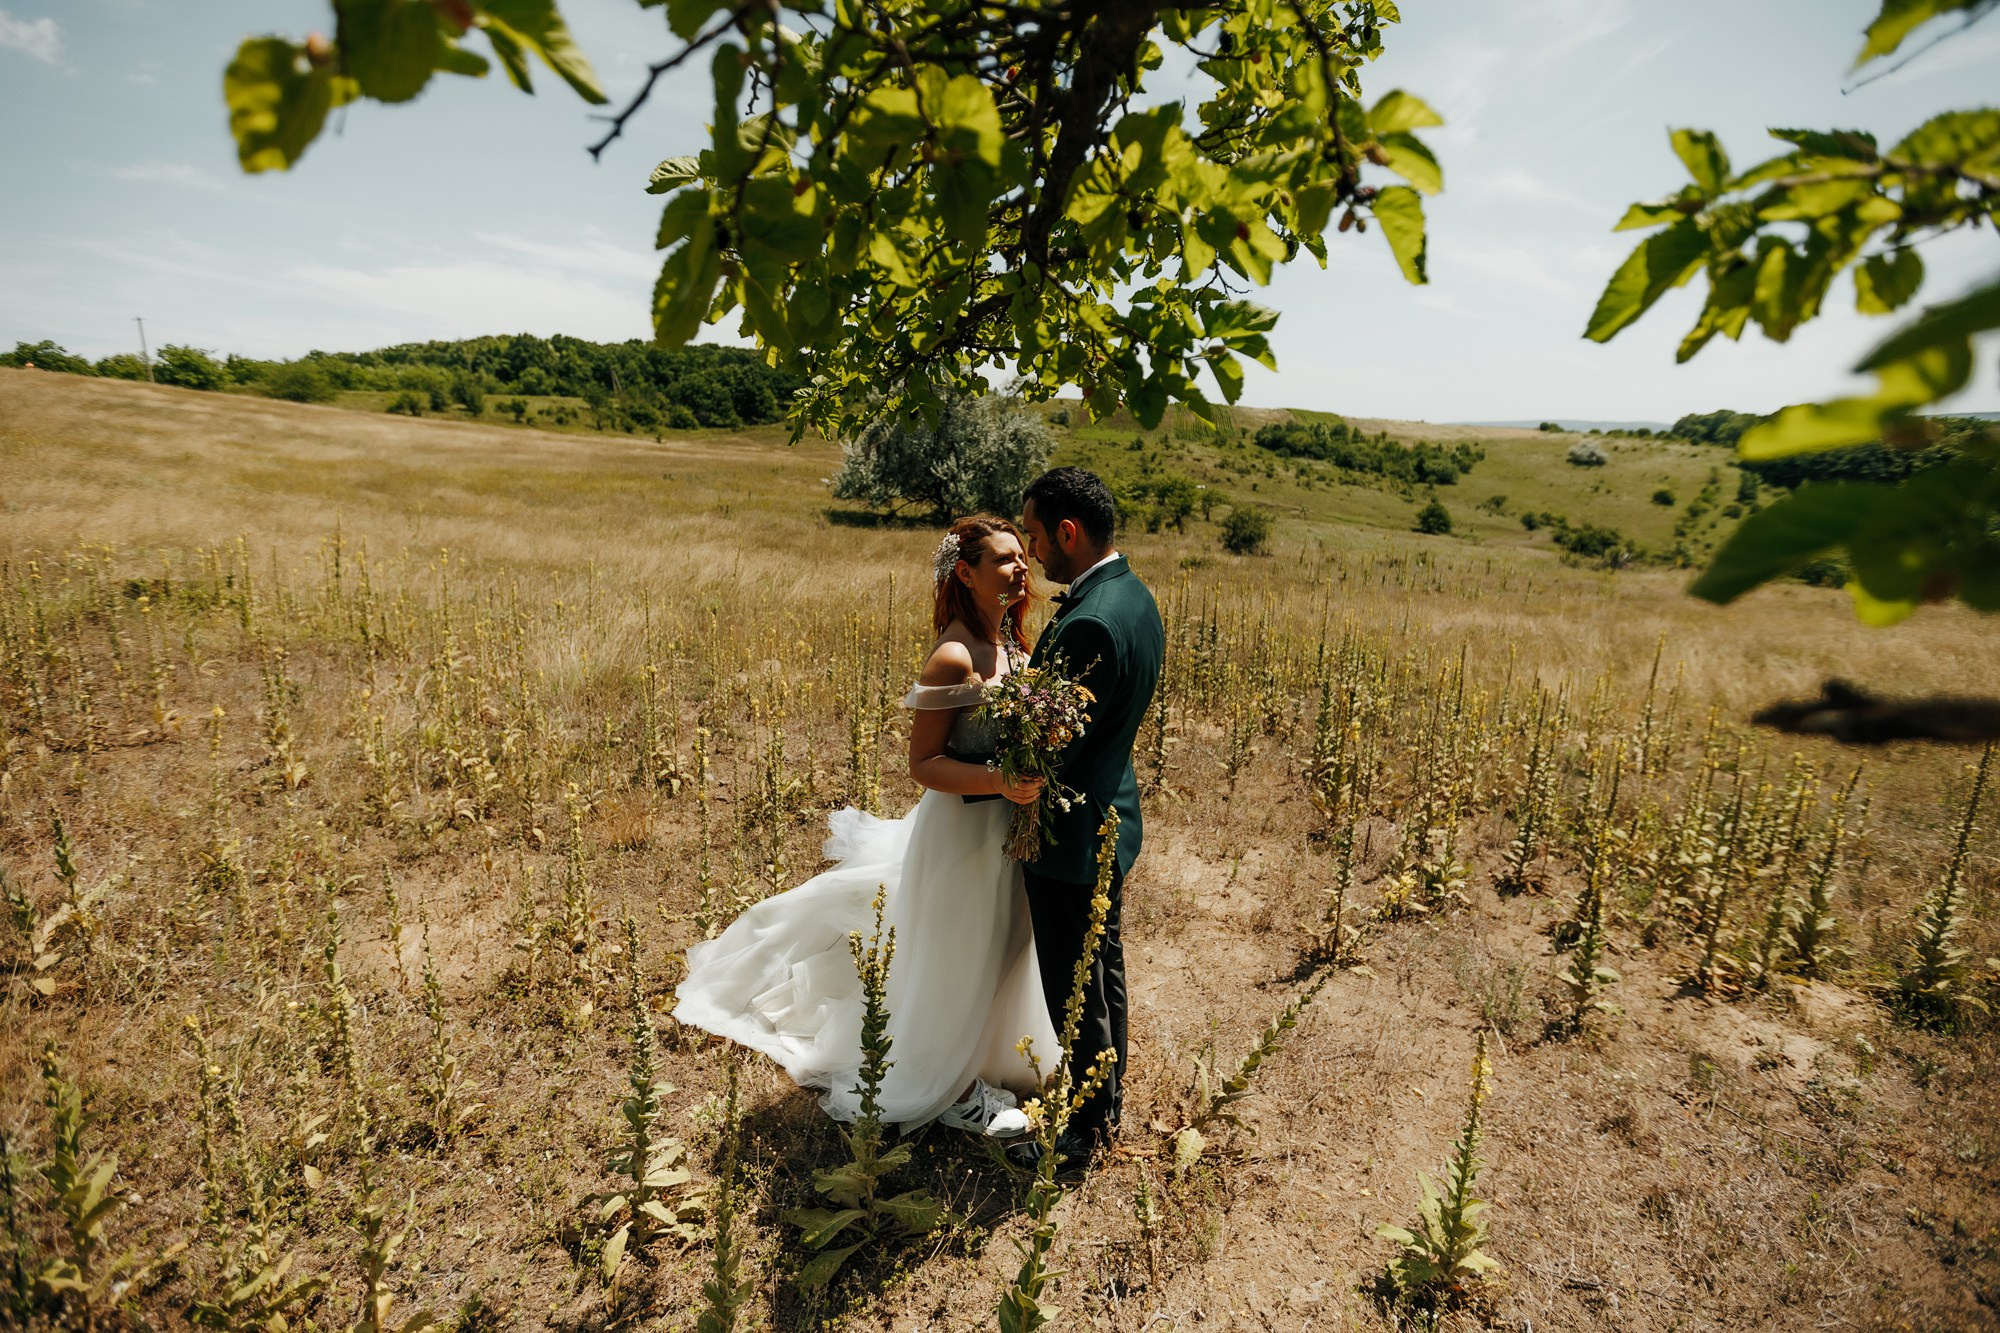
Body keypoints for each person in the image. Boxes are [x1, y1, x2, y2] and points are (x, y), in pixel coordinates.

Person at [672, 515, 1059, 1136]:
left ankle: (987, 1051)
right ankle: (947, 1083)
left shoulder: (1015, 643)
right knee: (956, 952)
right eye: (1005, 560)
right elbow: (924, 765)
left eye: (1022, 556)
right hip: (962, 833)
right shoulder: (954, 656)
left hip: (1009, 829)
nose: (1021, 568)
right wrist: (999, 782)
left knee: (1003, 942)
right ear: (966, 573)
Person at [1013, 467, 1165, 1170]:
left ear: (1069, 533)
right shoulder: (1133, 596)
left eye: (1039, 536)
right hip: (1111, 809)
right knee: (1101, 968)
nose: (1034, 552)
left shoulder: (1092, 623)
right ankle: (1105, 1103)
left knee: (1073, 981)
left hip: (1073, 832)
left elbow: (1048, 744)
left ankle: (1082, 1131)